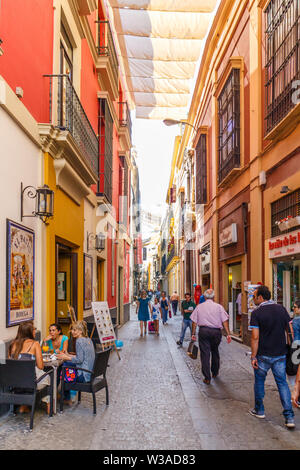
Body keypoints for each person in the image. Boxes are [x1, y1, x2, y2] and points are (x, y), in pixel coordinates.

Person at [249, 285, 295, 429]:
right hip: (280, 353)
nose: (253, 299)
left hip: (263, 355)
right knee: (282, 384)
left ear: (261, 297)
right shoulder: (281, 309)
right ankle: (289, 417)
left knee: (259, 382)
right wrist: (290, 348)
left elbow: (255, 338)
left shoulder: (257, 313)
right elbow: (290, 330)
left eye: (254, 296)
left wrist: (253, 356)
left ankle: (260, 410)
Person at [8, 320, 50, 414]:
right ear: (29, 332)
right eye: (34, 329)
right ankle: (49, 404)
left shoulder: (12, 344)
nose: (35, 331)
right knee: (48, 376)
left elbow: (11, 365)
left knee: (27, 376)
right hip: (30, 384)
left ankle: (24, 405)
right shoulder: (35, 344)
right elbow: (41, 366)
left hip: (14, 383)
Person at [190, 289, 231, 384]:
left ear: (204, 297)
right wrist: (228, 333)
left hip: (204, 331)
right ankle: (215, 372)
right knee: (215, 351)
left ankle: (207, 377)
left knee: (205, 354)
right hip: (216, 332)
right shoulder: (219, 307)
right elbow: (225, 321)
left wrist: (193, 333)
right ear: (213, 297)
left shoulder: (199, 307)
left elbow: (194, 322)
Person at [56, 320, 95, 404]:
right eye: (72, 330)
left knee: (64, 367)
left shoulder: (79, 341)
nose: (72, 332)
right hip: (90, 372)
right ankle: (64, 395)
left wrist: (66, 357)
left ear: (80, 331)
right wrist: (68, 355)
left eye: (74, 330)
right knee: (66, 364)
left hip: (83, 375)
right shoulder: (88, 339)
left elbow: (79, 360)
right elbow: (82, 357)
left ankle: (65, 397)